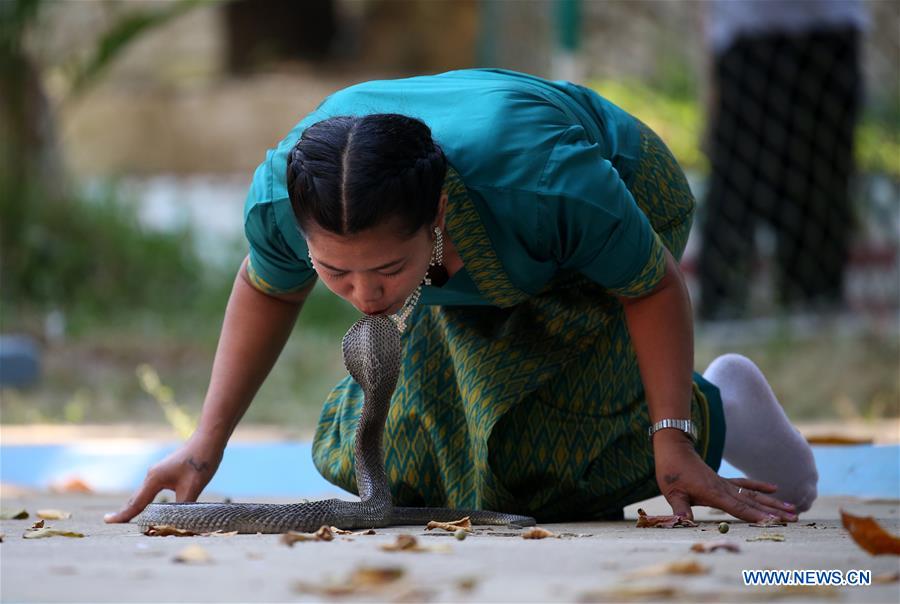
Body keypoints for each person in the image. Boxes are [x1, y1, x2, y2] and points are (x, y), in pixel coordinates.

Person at [105, 69, 817, 526]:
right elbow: (265, 290)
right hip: (476, 243)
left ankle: (720, 406)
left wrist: (672, 440)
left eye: (384, 269)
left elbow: (654, 284)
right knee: (407, 465)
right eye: (335, 274)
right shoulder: (282, 198)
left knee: (546, 468)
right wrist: (204, 448)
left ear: (439, 214)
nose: (363, 296)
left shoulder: (549, 185)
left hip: (618, 208)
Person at [697, 0, 867, 319]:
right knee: (738, 193)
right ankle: (724, 304)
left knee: (819, 192)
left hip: (829, 35)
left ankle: (815, 300)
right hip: (748, 37)